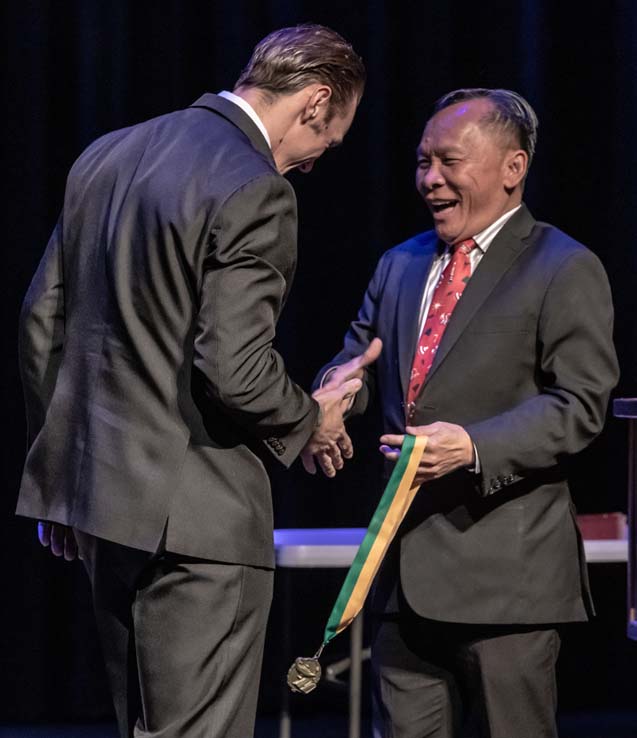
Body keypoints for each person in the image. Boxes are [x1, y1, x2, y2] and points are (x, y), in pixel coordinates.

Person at [17, 24, 373, 738]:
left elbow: (39, 323)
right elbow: (232, 368)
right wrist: (311, 419)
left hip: (103, 510)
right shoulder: (253, 186)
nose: (311, 165)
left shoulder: (105, 155)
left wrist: (62, 475)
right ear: (314, 100)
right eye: (325, 144)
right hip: (199, 521)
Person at [312, 89, 619, 737]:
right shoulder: (399, 264)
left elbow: (580, 406)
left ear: (512, 168)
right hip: (402, 579)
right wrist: (334, 397)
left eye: (448, 161)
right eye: (422, 162)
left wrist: (472, 446)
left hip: (508, 581)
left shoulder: (562, 267)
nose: (430, 179)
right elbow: (356, 362)